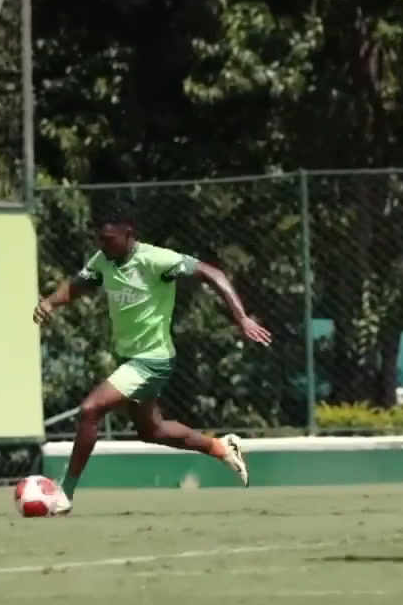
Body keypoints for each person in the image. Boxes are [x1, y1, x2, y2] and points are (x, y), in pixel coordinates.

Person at [32, 211, 272, 514]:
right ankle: (220, 447)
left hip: (153, 359)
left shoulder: (156, 260)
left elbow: (214, 274)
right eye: (100, 240)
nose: (103, 245)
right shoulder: (103, 261)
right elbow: (78, 285)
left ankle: (64, 493)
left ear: (128, 233)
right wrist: (51, 302)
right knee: (151, 431)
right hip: (130, 358)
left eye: (109, 240)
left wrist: (240, 317)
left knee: (90, 409)